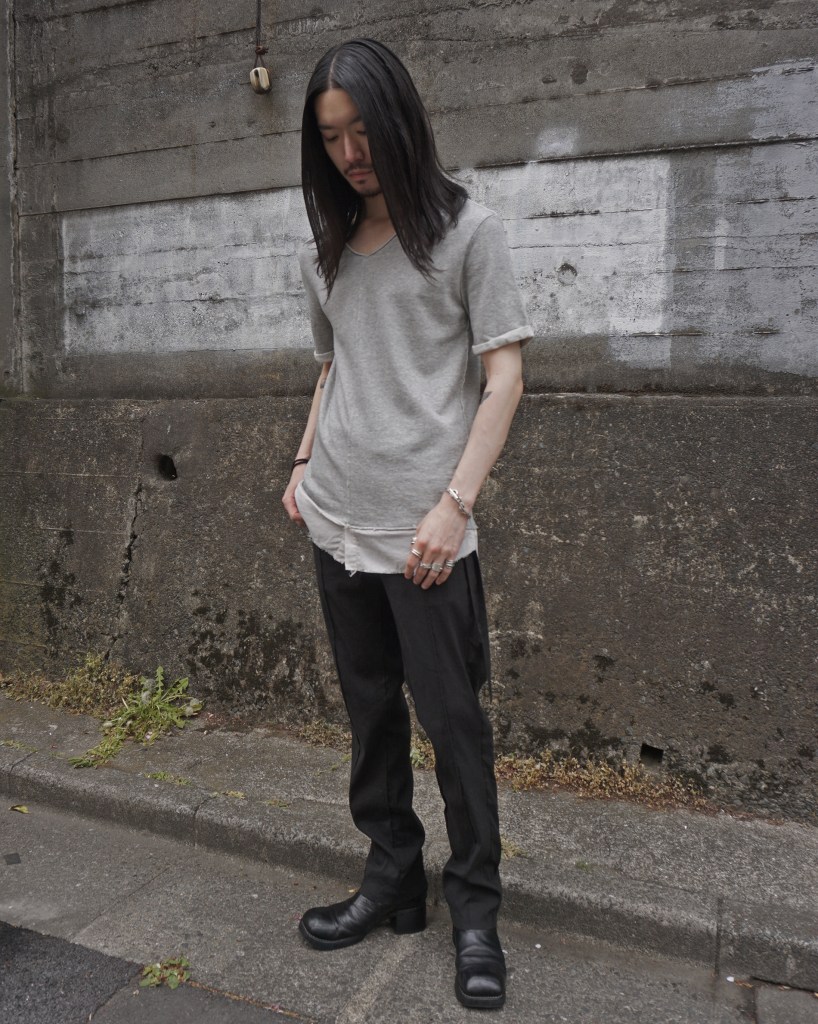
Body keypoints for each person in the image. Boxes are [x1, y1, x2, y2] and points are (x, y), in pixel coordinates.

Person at [282, 37, 533, 1011]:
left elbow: (504, 377)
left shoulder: (469, 232)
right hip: (337, 521)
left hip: (427, 536)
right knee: (369, 715)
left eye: (361, 130)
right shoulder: (327, 247)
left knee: (454, 726)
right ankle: (391, 875)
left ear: (398, 118)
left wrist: (453, 504)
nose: (350, 153)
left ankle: (474, 908)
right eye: (329, 137)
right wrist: (302, 463)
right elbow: (332, 366)